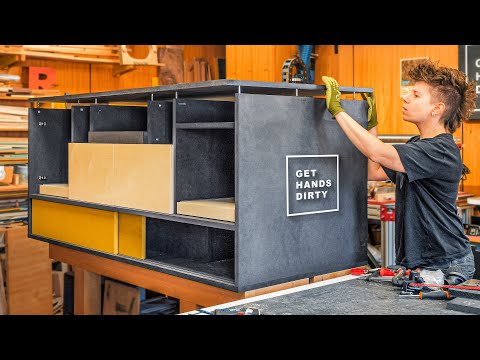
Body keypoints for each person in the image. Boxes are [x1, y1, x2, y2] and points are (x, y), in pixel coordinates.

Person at [321, 59, 477, 284]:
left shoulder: (440, 150)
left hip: (445, 264)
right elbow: (373, 171)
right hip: (421, 264)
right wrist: (371, 124)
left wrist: (337, 111)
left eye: (416, 95)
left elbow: (378, 152)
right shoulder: (418, 144)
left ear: (437, 109)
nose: (405, 98)